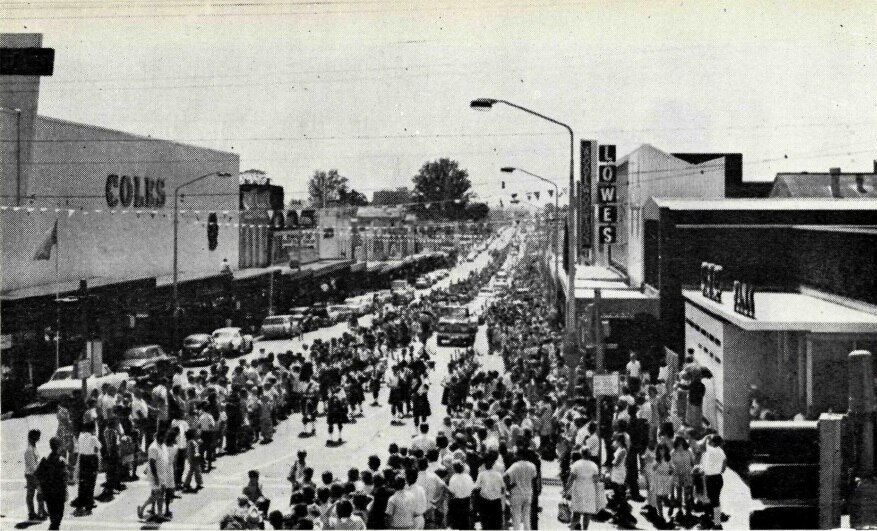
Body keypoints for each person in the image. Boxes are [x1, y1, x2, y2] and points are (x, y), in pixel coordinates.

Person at [36, 437, 68, 530]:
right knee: (58, 517)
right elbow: (65, 478)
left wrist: (40, 488)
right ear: (59, 447)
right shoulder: (62, 461)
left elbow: (38, 474)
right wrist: (66, 491)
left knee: (53, 516)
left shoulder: (44, 460)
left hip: (48, 492)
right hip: (59, 492)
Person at [566, 450, 601, 530]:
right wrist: (598, 493)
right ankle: (585, 529)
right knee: (587, 512)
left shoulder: (576, 464)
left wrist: (566, 490)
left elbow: (571, 478)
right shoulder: (594, 465)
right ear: (590, 454)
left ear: (581, 454)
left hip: (578, 489)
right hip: (589, 490)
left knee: (576, 511)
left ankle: (574, 528)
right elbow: (596, 481)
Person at [137, 430, 166, 521]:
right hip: (156, 474)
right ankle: (142, 507)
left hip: (162, 473)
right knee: (158, 495)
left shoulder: (162, 445)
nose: (165, 438)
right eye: (164, 437)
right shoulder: (153, 448)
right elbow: (152, 463)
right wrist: (156, 477)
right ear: (160, 437)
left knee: (161, 494)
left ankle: (160, 514)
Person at [73, 422, 101, 516]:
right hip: (91, 460)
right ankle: (88, 506)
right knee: (90, 484)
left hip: (82, 459)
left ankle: (80, 505)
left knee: (82, 484)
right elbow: (99, 447)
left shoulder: (80, 436)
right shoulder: (93, 438)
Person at [505, 453, 538, 530]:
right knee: (526, 517)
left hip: (516, 494)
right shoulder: (532, 466)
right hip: (528, 493)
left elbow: (505, 476)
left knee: (516, 517)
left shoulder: (515, 466)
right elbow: (534, 479)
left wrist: (509, 486)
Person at [474, 451, 505, 531]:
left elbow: (476, 488)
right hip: (496, 502)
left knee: (485, 525)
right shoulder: (498, 474)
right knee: (496, 525)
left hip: (485, 502)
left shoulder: (481, 474)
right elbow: (503, 488)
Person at [702, 435, 727, 530]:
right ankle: (716, 521)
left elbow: (703, 446)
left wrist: (706, 437)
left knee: (713, 500)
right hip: (718, 477)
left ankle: (717, 524)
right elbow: (724, 463)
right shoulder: (721, 451)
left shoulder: (711, 449)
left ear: (713, 442)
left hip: (711, 478)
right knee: (715, 499)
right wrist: (720, 470)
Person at [24, 429, 47, 521]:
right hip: (32, 475)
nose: (38, 439)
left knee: (37, 493)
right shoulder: (29, 450)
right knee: (35, 494)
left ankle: (40, 510)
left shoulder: (33, 448)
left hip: (34, 473)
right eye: (37, 437)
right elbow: (33, 467)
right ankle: (34, 513)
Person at [446, 461, 474, 529]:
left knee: (457, 522)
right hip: (466, 501)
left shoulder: (453, 478)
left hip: (457, 502)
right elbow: (472, 489)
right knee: (465, 521)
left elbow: (451, 492)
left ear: (454, 469)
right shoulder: (468, 477)